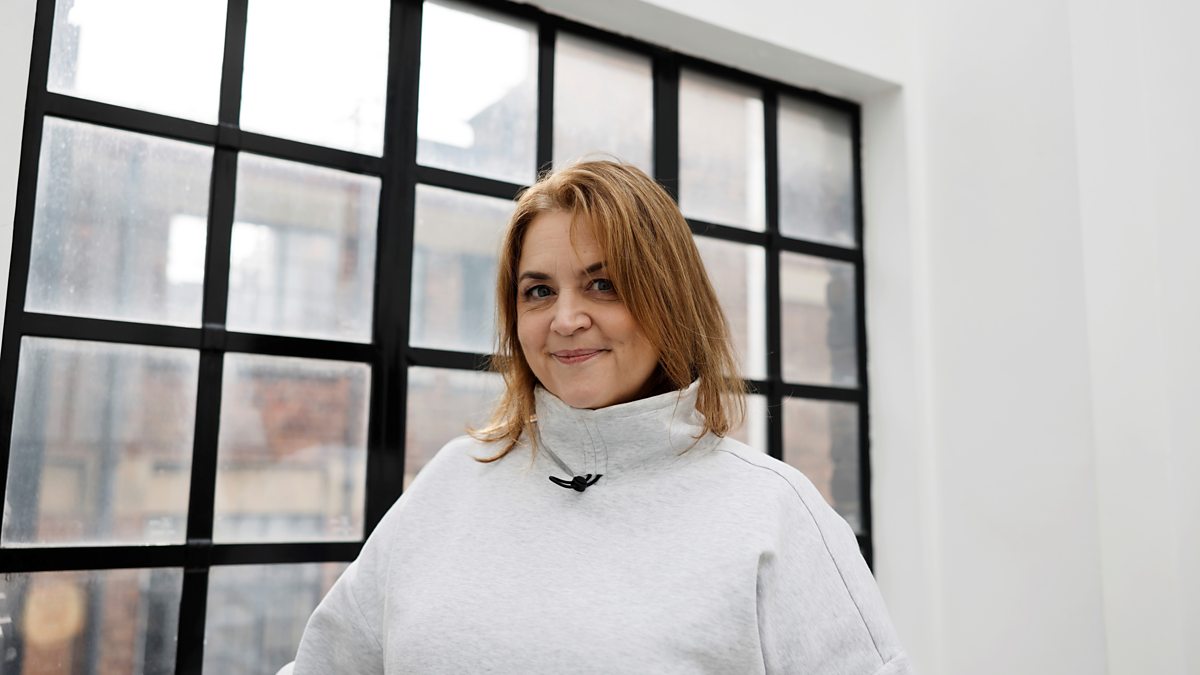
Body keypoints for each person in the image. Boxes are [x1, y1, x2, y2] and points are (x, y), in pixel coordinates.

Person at [284, 161, 912, 674]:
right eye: (539, 291)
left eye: (603, 284)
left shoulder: (774, 512)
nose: (565, 320)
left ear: (668, 298)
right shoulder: (451, 480)